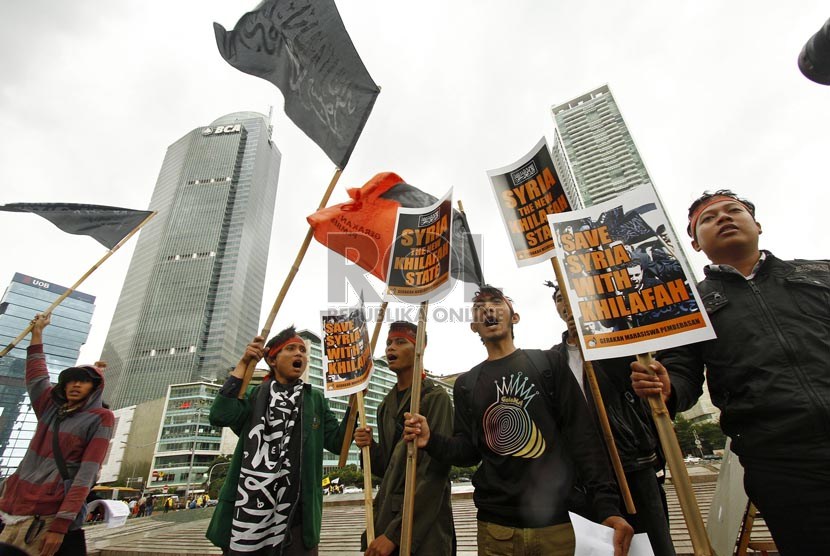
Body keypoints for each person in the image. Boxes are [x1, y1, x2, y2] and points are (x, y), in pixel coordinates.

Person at [630, 190, 830, 555]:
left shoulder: (821, 273)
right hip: (782, 464)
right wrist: (666, 385)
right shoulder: (691, 307)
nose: (722, 218)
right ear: (694, 243)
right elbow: (683, 376)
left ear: (757, 224)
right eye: (708, 218)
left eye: (733, 211)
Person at [404, 286, 633, 556]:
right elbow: (468, 451)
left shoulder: (549, 363)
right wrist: (431, 440)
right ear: (473, 327)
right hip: (497, 529)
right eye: (479, 307)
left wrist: (607, 507)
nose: (488, 309)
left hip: (560, 525)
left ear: (515, 317)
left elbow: (583, 436)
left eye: (496, 302)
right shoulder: (467, 384)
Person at [551, 284, 674, 556]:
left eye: (572, 296)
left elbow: (636, 390)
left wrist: (592, 337)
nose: (566, 304)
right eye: (560, 299)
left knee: (653, 544)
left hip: (631, 464)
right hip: (587, 475)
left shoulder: (614, 345)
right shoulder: (553, 359)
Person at [206, 326, 351, 555]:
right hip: (247, 514)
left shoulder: (315, 399)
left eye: (303, 350)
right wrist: (243, 363)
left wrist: (355, 404)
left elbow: (336, 443)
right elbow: (220, 415)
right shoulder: (253, 394)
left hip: (297, 519)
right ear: (272, 360)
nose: (300, 354)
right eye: (291, 348)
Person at [0, 313, 113, 556]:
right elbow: (37, 377)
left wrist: (61, 525)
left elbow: (87, 472)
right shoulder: (49, 410)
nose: (75, 385)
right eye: (71, 380)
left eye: (83, 382)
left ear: (95, 387)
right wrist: (37, 334)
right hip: (14, 505)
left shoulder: (100, 418)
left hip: (50, 513)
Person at [353, 321, 454, 556]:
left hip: (423, 527)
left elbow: (434, 474)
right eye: (388, 343)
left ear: (420, 347)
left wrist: (394, 534)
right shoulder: (384, 406)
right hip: (387, 517)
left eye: (400, 342)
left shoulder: (435, 398)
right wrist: (369, 447)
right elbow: (386, 468)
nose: (390, 349)